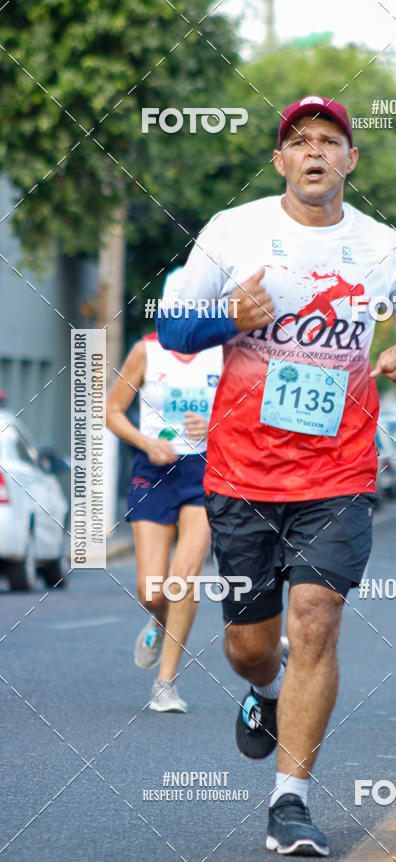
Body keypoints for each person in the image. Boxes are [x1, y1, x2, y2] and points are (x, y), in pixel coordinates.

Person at [156, 95, 396, 855]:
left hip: (339, 473)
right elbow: (175, 328)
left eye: (331, 141)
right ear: (280, 160)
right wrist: (232, 319)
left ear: (351, 160)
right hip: (243, 472)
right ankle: (262, 691)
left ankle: (290, 801)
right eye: (300, 141)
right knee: (251, 647)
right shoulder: (235, 231)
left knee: (315, 619)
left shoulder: (384, 248)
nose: (315, 151)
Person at [106, 268, 222, 713]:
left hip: (204, 471)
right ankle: (158, 620)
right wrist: (147, 442)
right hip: (152, 470)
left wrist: (215, 424)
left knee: (183, 580)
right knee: (152, 590)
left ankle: (165, 684)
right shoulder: (146, 351)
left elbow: (249, 412)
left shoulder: (223, 354)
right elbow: (113, 411)